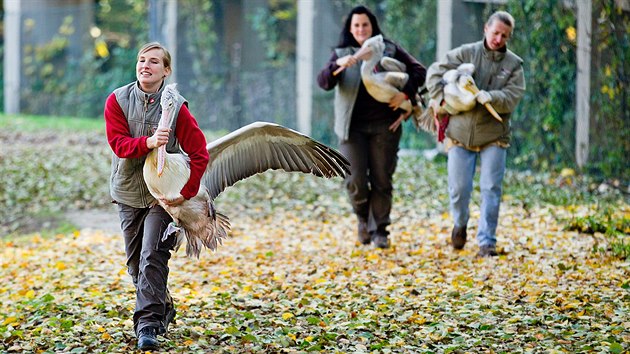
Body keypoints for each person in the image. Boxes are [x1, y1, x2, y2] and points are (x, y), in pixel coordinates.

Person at [104, 42, 209, 349]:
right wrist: (150, 141)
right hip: (127, 191)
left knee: (153, 255)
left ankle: (147, 325)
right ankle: (162, 303)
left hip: (162, 196)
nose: (145, 66)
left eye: (153, 62)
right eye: (141, 60)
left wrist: (185, 194)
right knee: (136, 264)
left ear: (166, 70)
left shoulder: (177, 108)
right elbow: (119, 145)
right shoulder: (118, 100)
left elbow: (199, 154)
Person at [317, 5, 426, 249]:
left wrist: (406, 96)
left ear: (372, 26)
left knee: (382, 179)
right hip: (351, 129)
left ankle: (380, 232)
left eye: (365, 25)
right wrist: (338, 66)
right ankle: (363, 218)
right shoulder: (342, 53)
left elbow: (419, 71)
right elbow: (323, 82)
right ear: (350, 28)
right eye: (356, 25)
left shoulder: (387, 49)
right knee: (354, 179)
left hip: (385, 126)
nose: (361, 29)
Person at [425, 11, 525, 257]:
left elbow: (513, 96)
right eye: (495, 33)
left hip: (494, 135)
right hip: (460, 133)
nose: (498, 39)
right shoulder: (465, 53)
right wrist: (441, 99)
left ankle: (486, 241)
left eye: (504, 35)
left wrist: (491, 97)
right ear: (486, 29)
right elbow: (435, 73)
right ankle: (460, 224)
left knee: (491, 187)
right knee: (459, 189)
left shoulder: (514, 65)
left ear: (508, 37)